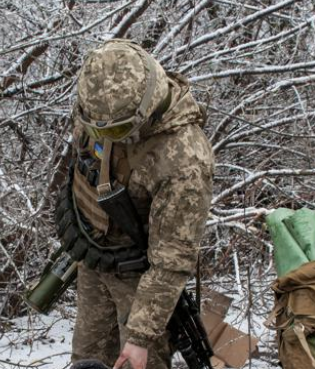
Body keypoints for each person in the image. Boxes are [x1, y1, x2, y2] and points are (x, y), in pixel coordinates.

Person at [60, 39, 213, 369]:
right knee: (86, 361)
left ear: (146, 108)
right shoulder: (100, 105)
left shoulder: (183, 159)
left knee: (135, 364)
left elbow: (171, 258)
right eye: (96, 128)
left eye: (117, 130)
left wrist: (141, 337)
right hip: (95, 256)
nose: (105, 137)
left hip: (142, 280)